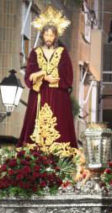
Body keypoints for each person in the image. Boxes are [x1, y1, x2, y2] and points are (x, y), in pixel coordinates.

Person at [17, 6, 77, 150]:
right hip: (39, 95)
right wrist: (43, 75)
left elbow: (68, 77)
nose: (49, 38)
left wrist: (53, 79)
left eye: (51, 35)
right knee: (34, 132)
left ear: (56, 36)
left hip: (58, 97)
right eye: (46, 35)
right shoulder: (35, 53)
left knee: (60, 128)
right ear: (42, 35)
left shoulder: (62, 53)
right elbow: (29, 76)